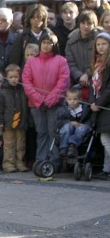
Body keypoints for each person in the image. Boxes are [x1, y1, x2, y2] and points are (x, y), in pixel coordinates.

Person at [22, 29, 70, 173]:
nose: (46, 45)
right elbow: (26, 82)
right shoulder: (31, 62)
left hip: (55, 104)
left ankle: (54, 161)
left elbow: (63, 82)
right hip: (37, 105)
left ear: (54, 45)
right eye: (44, 42)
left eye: (49, 43)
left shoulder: (61, 61)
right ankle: (41, 161)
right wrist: (39, 99)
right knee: (41, 132)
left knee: (53, 133)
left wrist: (50, 99)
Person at [0, 64, 28, 173]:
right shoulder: (3, 92)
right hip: (7, 124)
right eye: (11, 77)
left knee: (20, 144)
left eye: (16, 77)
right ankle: (8, 164)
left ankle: (20, 163)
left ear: (20, 77)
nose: (14, 79)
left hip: (21, 123)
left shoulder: (23, 90)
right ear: (6, 78)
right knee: (9, 145)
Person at [90, 32, 110, 179]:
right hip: (100, 106)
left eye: (104, 44)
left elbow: (109, 89)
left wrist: (99, 103)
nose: (101, 47)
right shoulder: (97, 63)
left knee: (105, 139)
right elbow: (94, 86)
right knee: (106, 139)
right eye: (98, 44)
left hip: (106, 106)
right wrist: (93, 102)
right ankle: (107, 169)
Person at [8, 4, 48, 70]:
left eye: (38, 17)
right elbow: (14, 60)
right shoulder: (22, 37)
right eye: (33, 17)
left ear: (43, 18)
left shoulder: (50, 36)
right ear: (29, 19)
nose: (36, 20)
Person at [65, 10, 99, 87]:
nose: (85, 26)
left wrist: (87, 74)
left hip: (96, 81)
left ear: (94, 25)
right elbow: (70, 63)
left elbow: (99, 61)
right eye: (83, 23)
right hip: (76, 81)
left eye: (89, 23)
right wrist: (80, 76)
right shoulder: (71, 41)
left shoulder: (99, 41)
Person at [56, 86, 92, 160]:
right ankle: (64, 147)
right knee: (67, 127)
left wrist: (83, 124)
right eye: (70, 99)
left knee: (82, 128)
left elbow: (90, 120)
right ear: (66, 99)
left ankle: (72, 145)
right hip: (68, 129)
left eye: (75, 99)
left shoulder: (86, 109)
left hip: (81, 128)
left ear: (80, 99)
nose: (72, 101)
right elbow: (58, 122)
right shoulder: (63, 110)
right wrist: (70, 122)